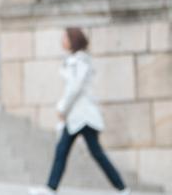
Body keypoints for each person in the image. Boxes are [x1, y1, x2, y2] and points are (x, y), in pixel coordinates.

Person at [30, 27, 129, 194]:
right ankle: (51, 187)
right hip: (76, 117)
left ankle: (122, 188)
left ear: (72, 40)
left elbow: (75, 88)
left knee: (93, 153)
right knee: (64, 150)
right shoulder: (74, 61)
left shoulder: (80, 61)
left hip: (84, 117)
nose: (62, 41)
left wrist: (62, 108)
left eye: (65, 38)